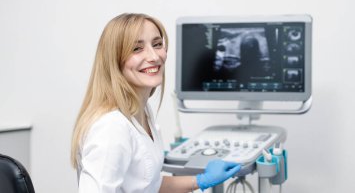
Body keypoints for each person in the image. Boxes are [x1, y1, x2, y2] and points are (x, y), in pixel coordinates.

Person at [70, 13, 241, 193]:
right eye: (137, 49)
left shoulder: (141, 111)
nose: (154, 56)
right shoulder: (111, 127)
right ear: (114, 60)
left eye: (157, 44)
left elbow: (149, 185)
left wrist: (201, 180)